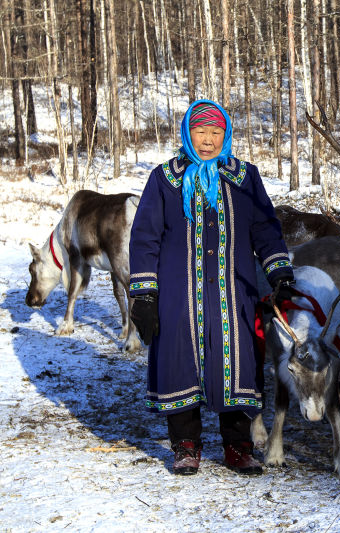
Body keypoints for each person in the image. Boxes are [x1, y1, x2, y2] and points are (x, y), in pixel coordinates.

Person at [129, 99, 295, 476]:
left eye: (216, 132)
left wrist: (280, 273)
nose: (207, 140)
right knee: (178, 360)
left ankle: (237, 447)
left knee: (237, 362)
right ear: (187, 133)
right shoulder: (164, 179)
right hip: (177, 293)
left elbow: (265, 229)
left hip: (232, 292)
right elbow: (144, 238)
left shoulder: (244, 177)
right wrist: (144, 294)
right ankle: (185, 445)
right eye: (200, 131)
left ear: (227, 134)